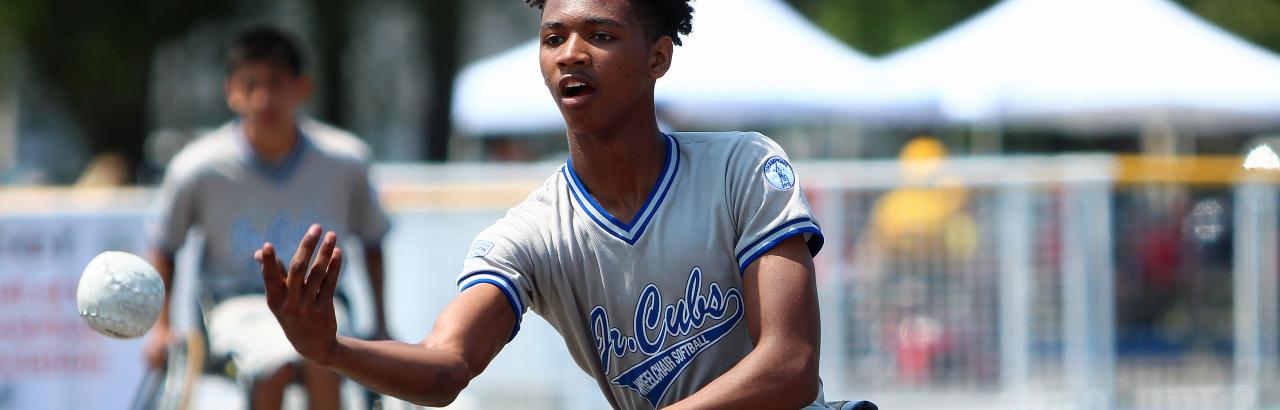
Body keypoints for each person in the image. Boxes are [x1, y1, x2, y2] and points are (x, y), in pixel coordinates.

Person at [255, 1, 870, 408]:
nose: (571, 52)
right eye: (554, 37)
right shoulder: (531, 234)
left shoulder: (743, 166)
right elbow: (445, 367)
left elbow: (788, 361)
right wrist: (329, 350)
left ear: (658, 56)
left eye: (600, 35)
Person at [144, 26, 392, 410]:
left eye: (276, 83)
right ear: (231, 91)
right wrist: (160, 327)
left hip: (322, 303)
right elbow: (165, 246)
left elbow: (373, 240)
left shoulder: (346, 160)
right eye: (250, 84)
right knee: (274, 363)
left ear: (301, 87)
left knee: (324, 356)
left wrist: (381, 321)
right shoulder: (197, 167)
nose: (263, 97)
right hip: (235, 305)